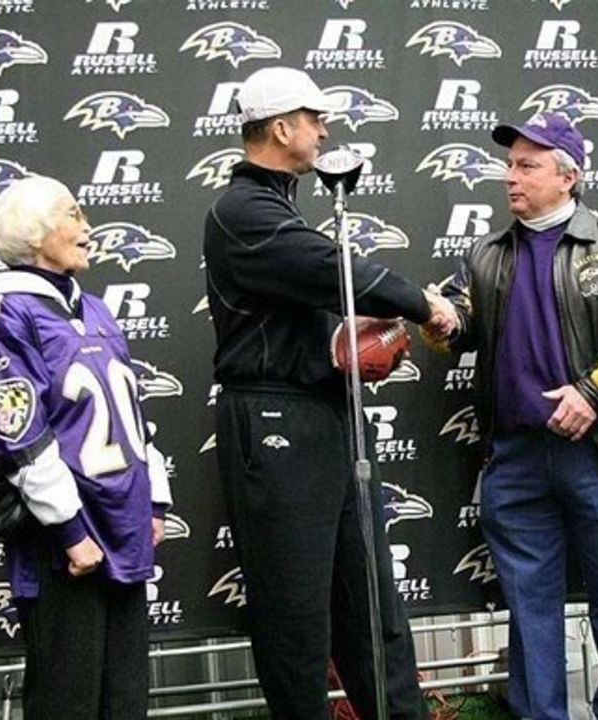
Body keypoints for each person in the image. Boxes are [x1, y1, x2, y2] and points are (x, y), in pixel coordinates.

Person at [202, 66, 456, 720]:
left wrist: (342, 340)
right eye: (314, 117)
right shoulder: (241, 210)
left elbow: (313, 292)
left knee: (371, 601)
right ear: (281, 126)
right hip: (273, 419)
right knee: (294, 614)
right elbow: (329, 270)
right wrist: (421, 303)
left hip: (327, 414)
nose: (324, 128)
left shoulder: (280, 205)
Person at [425, 111, 598, 719]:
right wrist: (436, 316)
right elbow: (458, 321)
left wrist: (592, 394)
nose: (511, 177)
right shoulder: (485, 253)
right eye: (510, 165)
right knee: (528, 602)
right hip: (514, 457)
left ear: (568, 176)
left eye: (527, 166)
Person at [0, 175, 173, 719]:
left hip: (123, 526)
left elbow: (131, 410)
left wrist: (153, 500)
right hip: (65, 541)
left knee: (125, 697)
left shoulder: (95, 308)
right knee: (68, 698)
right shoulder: (6, 312)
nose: (87, 227)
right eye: (72, 215)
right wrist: (70, 529)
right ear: (33, 234)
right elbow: (17, 431)